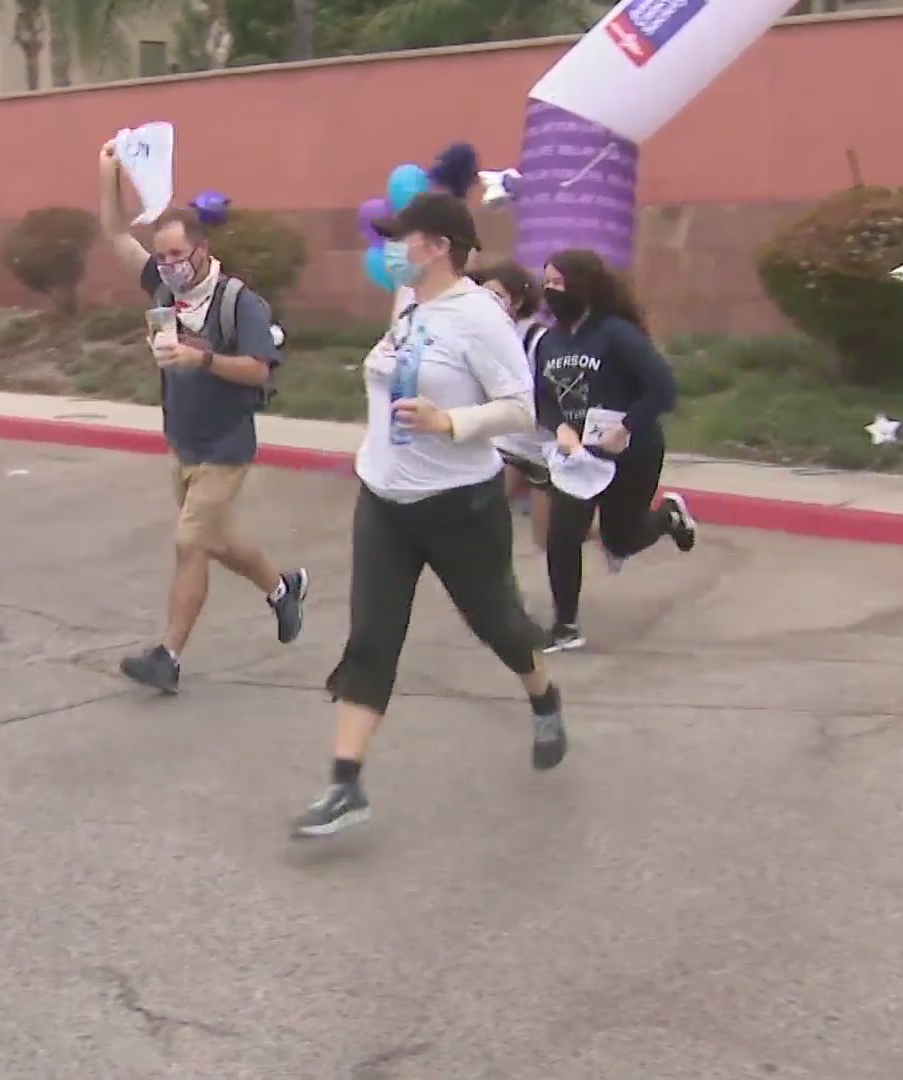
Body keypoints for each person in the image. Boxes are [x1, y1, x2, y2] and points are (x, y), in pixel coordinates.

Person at [291, 193, 569, 839]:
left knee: (498, 623)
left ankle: (543, 697)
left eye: (400, 237)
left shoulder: (479, 317)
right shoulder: (410, 303)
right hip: (384, 500)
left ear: (439, 244)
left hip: (460, 507)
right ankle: (345, 784)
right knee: (372, 638)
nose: (389, 249)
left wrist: (453, 421)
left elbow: (523, 409)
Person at [99, 139, 308, 695]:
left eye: (176, 256)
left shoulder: (240, 302)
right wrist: (109, 176)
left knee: (190, 543)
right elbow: (116, 236)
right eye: (161, 257)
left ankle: (167, 657)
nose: (167, 266)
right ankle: (283, 589)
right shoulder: (164, 290)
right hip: (183, 446)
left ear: (201, 249)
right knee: (219, 541)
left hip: (225, 446)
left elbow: (261, 371)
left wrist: (204, 357)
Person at [534, 248, 699, 653]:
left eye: (559, 282)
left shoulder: (616, 334)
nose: (551, 290)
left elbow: (663, 388)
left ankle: (667, 518)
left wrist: (627, 426)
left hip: (632, 451)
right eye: (547, 282)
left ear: (583, 286)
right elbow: (542, 398)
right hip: (580, 457)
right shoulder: (548, 341)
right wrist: (560, 430)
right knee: (562, 536)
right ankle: (565, 626)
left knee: (619, 539)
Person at [471, 260, 555, 550]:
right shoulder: (482, 336)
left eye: (495, 296)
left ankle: (647, 528)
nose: (486, 303)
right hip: (508, 445)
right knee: (480, 517)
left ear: (517, 301)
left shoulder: (539, 339)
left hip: (546, 449)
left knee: (548, 540)